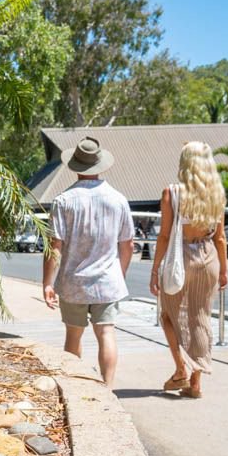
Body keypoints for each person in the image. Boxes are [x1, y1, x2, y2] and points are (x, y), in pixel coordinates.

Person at [43, 137, 134, 387]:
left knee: (73, 335)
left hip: (73, 283)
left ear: (75, 166)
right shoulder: (118, 199)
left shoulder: (63, 201)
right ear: (101, 165)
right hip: (108, 281)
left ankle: (74, 385)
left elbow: (55, 246)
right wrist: (120, 273)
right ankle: (108, 385)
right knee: (106, 332)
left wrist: (47, 282)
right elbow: (128, 245)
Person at [150, 141, 228, 398]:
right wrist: (224, 271)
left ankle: (181, 369)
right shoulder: (217, 193)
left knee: (168, 316)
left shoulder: (171, 193)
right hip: (208, 258)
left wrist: (155, 270)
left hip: (179, 258)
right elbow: (220, 238)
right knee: (200, 318)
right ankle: (195, 384)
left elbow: (163, 237)